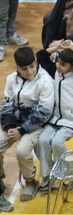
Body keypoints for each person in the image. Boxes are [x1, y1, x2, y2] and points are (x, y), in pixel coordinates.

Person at [0, 46, 53, 203]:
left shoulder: (45, 81)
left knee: (22, 151)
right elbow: (7, 104)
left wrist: (21, 130)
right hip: (15, 123)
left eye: (32, 66)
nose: (29, 71)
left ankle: (30, 181)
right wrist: (9, 126)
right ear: (17, 67)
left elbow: (44, 113)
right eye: (24, 69)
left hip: (35, 124)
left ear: (36, 62)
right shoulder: (11, 79)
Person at [35, 44, 73, 197]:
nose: (58, 66)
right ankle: (47, 174)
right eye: (58, 62)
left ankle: (68, 173)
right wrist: (55, 48)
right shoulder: (55, 72)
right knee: (42, 140)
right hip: (54, 120)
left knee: (57, 142)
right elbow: (41, 57)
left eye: (63, 64)